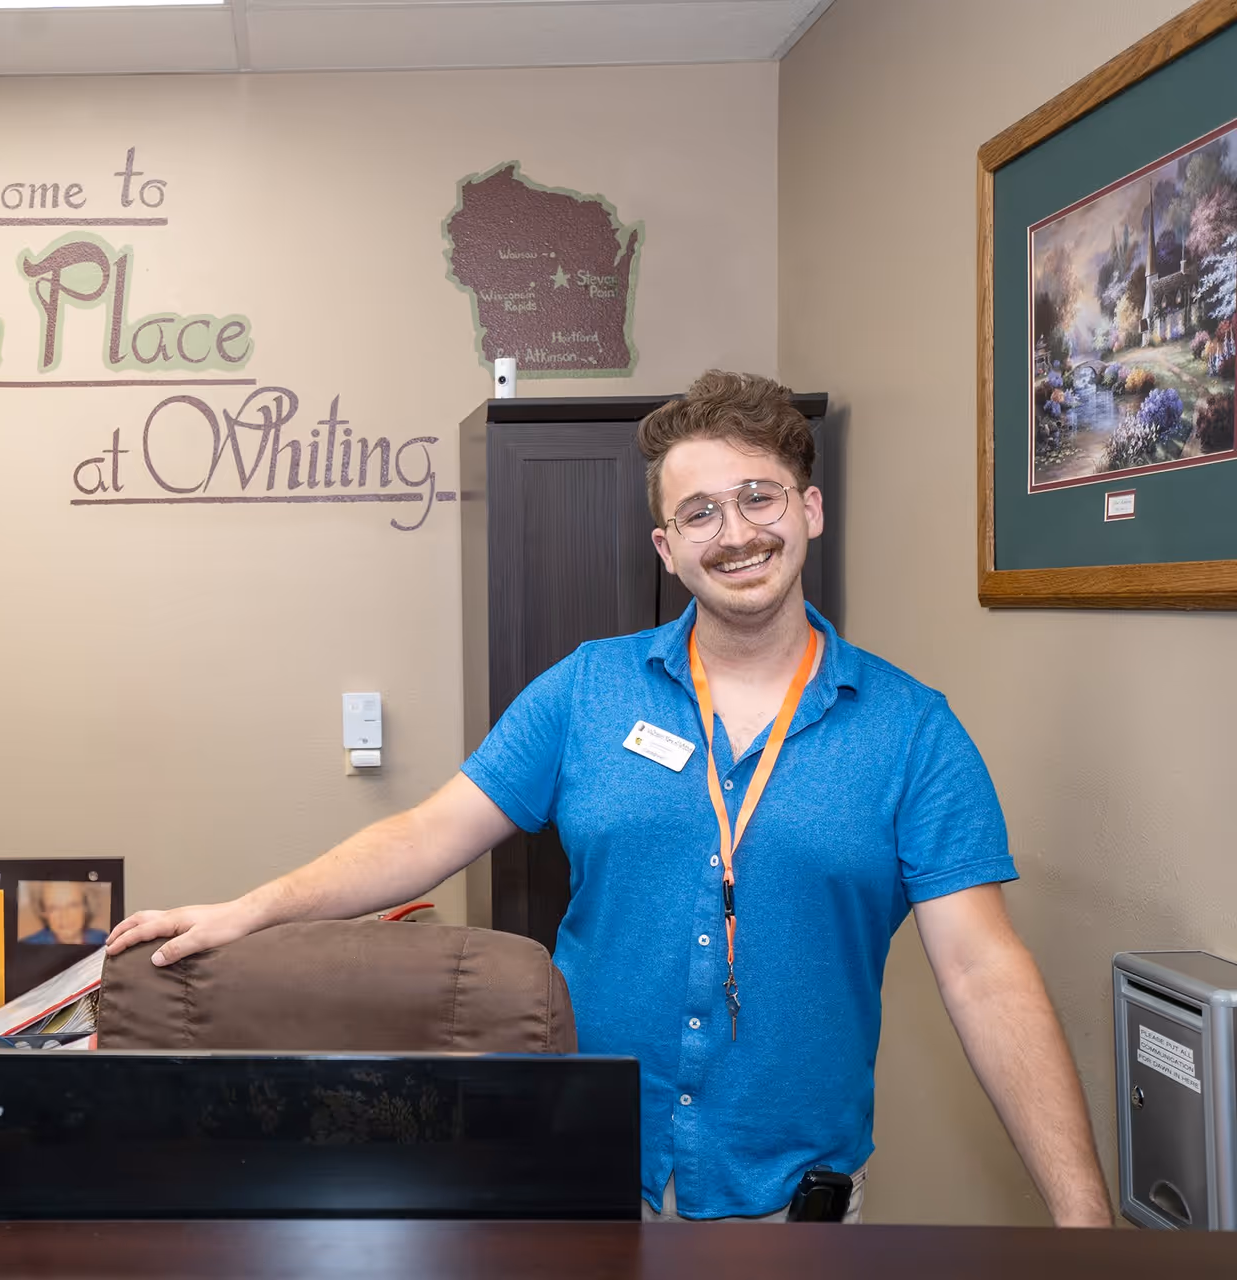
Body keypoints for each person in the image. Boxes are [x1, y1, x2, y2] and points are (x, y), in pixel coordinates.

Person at [108, 370, 1112, 1226]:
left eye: (760, 497)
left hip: (795, 1213)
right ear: (665, 547)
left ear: (809, 509)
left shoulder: (912, 731)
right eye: (699, 513)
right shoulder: (587, 690)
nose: (736, 534)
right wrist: (252, 908)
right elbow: (428, 833)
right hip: (586, 1185)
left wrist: (1089, 1227)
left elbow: (984, 971)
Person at [23, 880, 108, 946]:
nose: (64, 917)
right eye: (54, 908)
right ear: (43, 911)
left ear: (86, 906)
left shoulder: (105, 941)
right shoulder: (25, 948)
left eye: (73, 905)